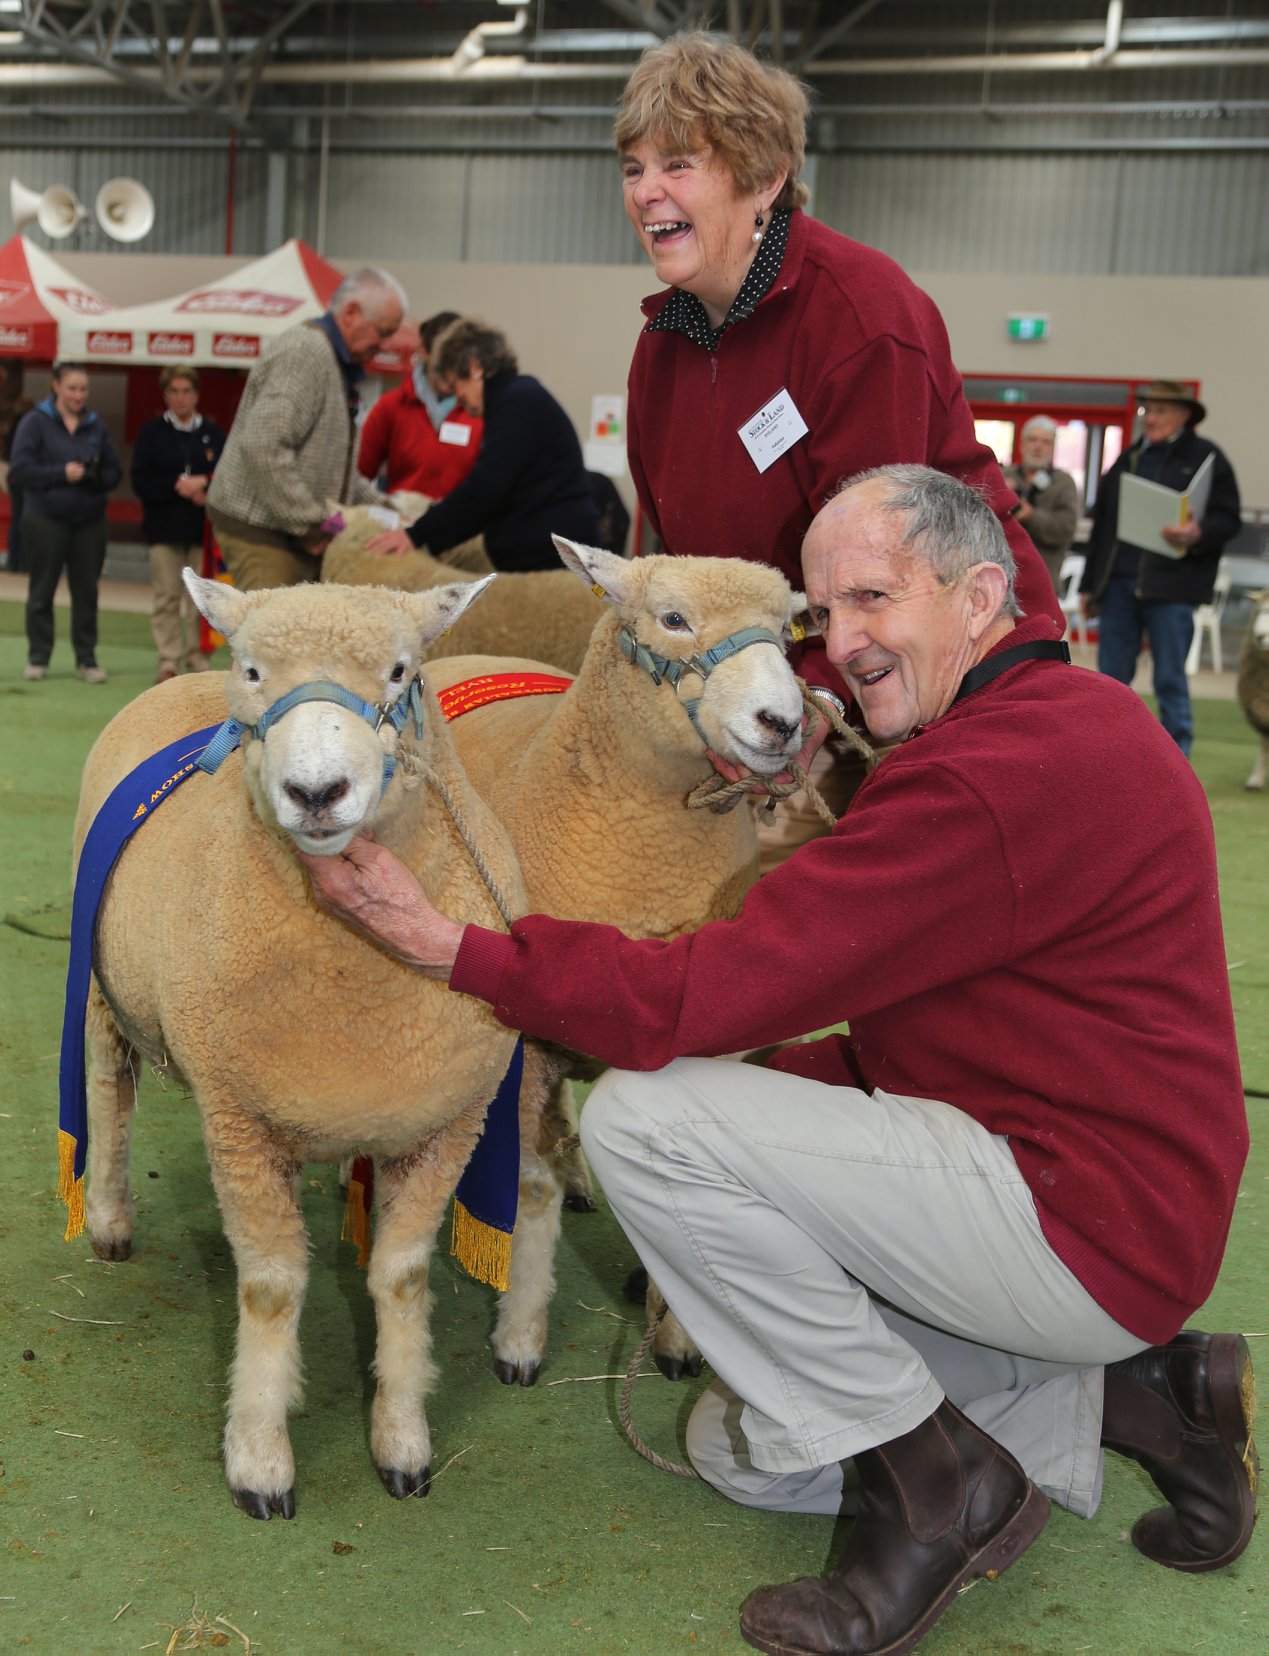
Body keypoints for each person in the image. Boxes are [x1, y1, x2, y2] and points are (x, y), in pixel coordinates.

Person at [304, 465, 1253, 1656]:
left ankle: (934, 1485)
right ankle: (1141, 1395)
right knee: (742, 1453)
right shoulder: (1082, 720)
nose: (840, 644)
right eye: (822, 614)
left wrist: (456, 948)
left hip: (1080, 1221)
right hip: (1107, 1199)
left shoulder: (987, 779)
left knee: (644, 1120)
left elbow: (696, 999)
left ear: (979, 596)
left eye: (873, 599)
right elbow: (946, 1031)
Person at [613, 31, 1065, 851]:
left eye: (678, 164)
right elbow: (673, 558)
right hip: (773, 684)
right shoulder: (662, 347)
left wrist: (809, 702)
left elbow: (880, 572)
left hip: (939, 675)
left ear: (764, 179)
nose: (647, 191)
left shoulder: (858, 312)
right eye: (633, 168)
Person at [206, 266, 406, 592]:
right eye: (382, 332)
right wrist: (311, 526)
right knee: (274, 640)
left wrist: (390, 512)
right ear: (352, 313)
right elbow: (263, 446)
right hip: (265, 533)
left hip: (288, 531)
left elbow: (335, 472)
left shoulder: (335, 362)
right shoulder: (306, 352)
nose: (382, 345)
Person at [1080, 380, 1241, 757]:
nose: (1151, 418)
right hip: (1119, 585)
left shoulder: (1206, 458)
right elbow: (1103, 527)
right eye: (1147, 411)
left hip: (1172, 589)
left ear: (1183, 416)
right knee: (1110, 682)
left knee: (1170, 679)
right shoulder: (1128, 459)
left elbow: (1228, 519)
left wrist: (1197, 532)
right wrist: (1090, 587)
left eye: (1161, 411)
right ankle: (1106, 756)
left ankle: (1176, 762)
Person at [365, 319, 602, 571]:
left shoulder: (517, 403)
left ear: (475, 367)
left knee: (584, 605)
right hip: (554, 556)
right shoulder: (515, 399)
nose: (458, 397)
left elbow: (486, 488)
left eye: (457, 385)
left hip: (558, 564)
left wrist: (416, 535)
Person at [10, 361, 122, 683]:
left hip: (89, 522)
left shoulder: (96, 426)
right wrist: (62, 473)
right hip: (44, 519)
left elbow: (115, 472)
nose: (78, 395)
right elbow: (21, 470)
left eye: (83, 389)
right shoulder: (35, 422)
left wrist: (96, 476)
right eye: (72, 388)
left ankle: (86, 660)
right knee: (41, 590)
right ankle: (38, 657)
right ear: (56, 386)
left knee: (86, 592)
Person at [130, 366, 228, 684]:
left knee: (202, 599)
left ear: (196, 394)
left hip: (203, 531)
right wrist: (178, 486)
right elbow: (140, 481)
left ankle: (198, 656)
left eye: (186, 390)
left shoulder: (214, 434)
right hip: (164, 529)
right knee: (166, 596)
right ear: (165, 395)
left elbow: (228, 480)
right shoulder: (151, 433)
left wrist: (205, 488)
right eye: (174, 391)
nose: (181, 397)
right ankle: (169, 661)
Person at [356, 310, 483, 500]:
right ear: (424, 351)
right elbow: (358, 475)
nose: (451, 375)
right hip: (404, 524)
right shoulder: (392, 406)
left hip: (461, 526)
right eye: (444, 363)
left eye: (458, 365)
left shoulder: (480, 411)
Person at [1002, 414, 1079, 590]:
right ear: (1021, 444)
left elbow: (1066, 529)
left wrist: (1032, 516)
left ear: (1052, 448)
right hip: (1003, 580)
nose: (1038, 446)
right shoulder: (1005, 477)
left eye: (1045, 442)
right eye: (1033, 439)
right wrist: (1001, 495)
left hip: (1044, 583)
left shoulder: (1063, 482)